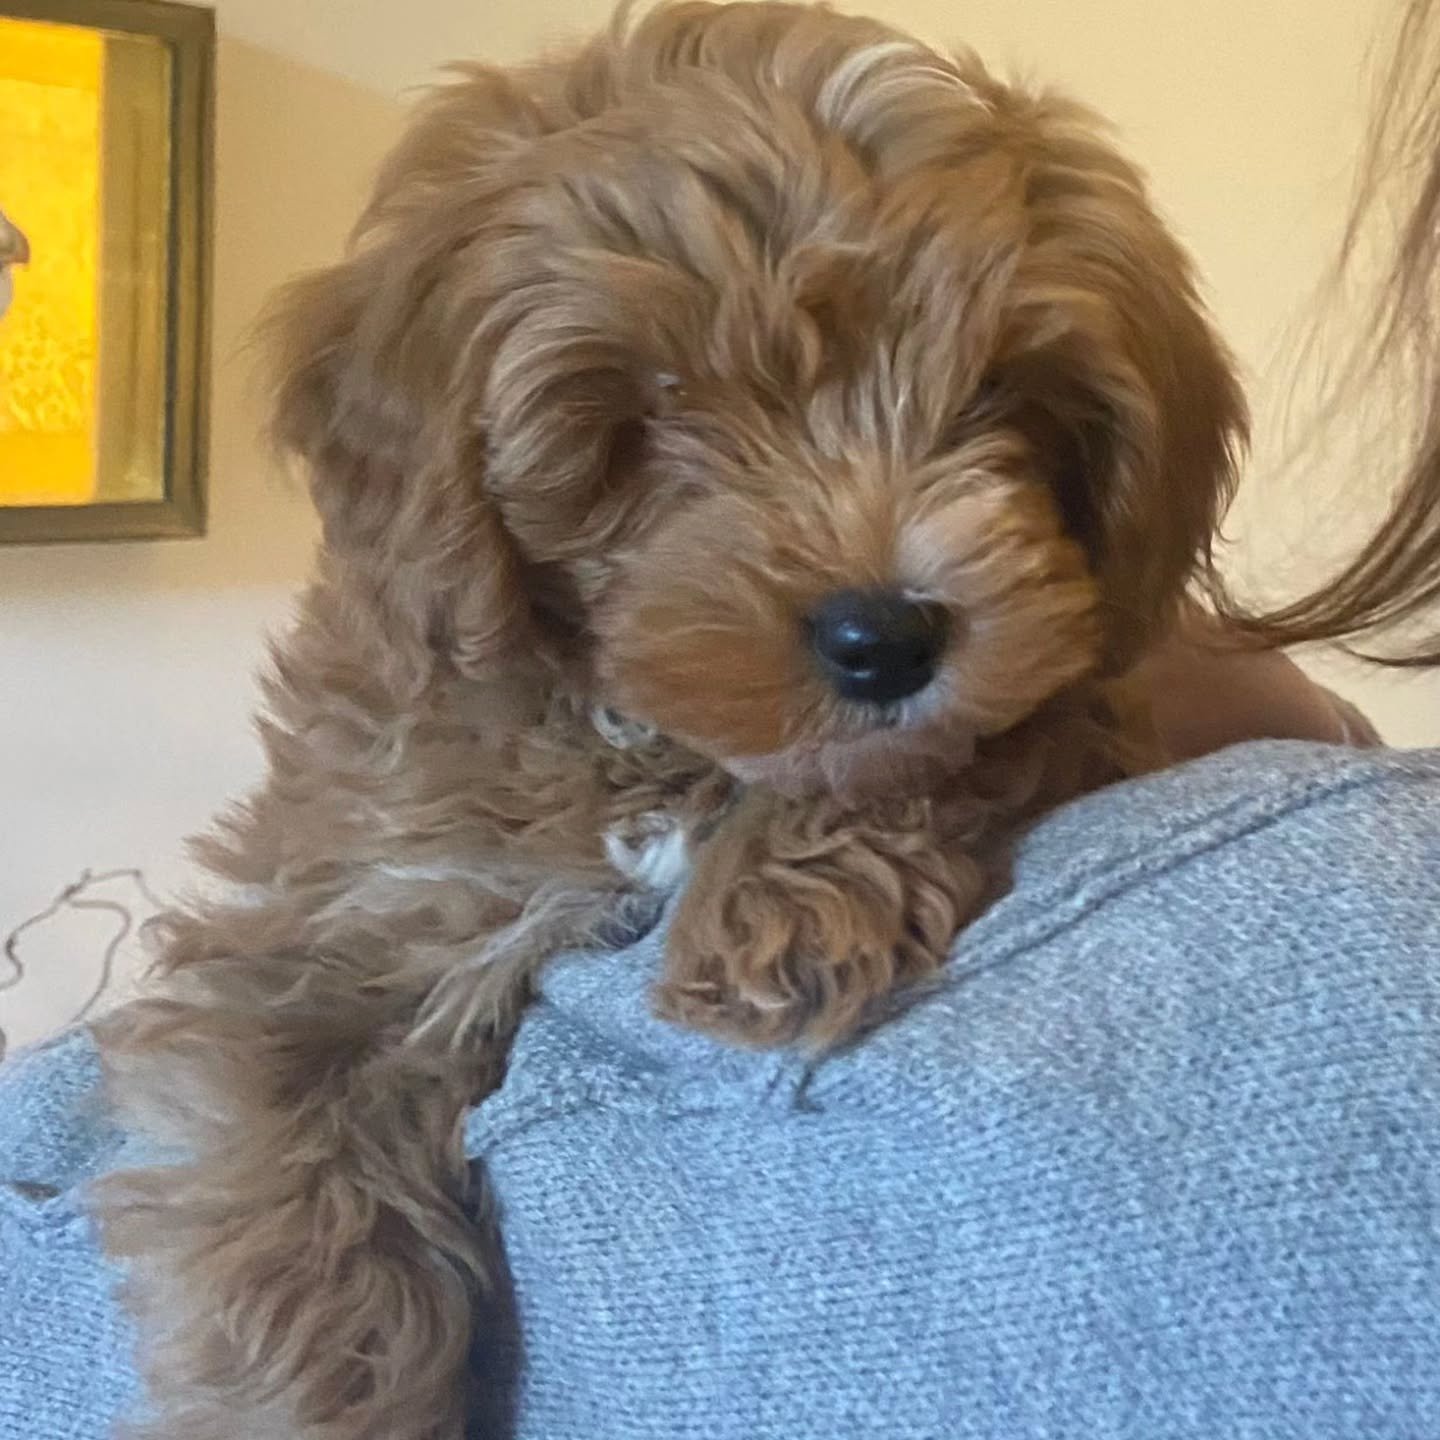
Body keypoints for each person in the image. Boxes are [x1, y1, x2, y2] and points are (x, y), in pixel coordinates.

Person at [2, 5, 1437, 1437]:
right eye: (647, 436)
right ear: (431, 479)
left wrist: (907, 812)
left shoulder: (1304, 899)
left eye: (996, 409)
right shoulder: (396, 756)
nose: (878, 547)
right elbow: (269, 1039)